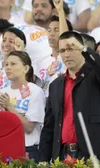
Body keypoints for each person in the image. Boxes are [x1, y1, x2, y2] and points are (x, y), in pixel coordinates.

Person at [38, 31, 100, 162]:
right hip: (62, 155)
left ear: (81, 49)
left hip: (93, 154)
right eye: (62, 50)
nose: (66, 54)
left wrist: (85, 49)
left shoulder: (95, 75)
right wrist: (42, 160)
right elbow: (49, 126)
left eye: (71, 49)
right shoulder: (55, 85)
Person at [0, 51, 45, 161]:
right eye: (6, 64)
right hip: (3, 147)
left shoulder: (35, 91)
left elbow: (29, 127)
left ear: (26, 68)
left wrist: (9, 107)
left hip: (27, 149)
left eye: (13, 64)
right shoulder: (0, 93)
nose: (8, 68)